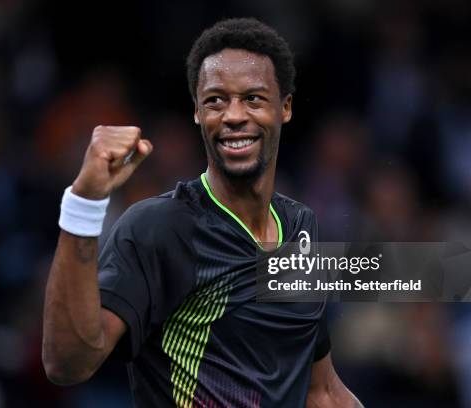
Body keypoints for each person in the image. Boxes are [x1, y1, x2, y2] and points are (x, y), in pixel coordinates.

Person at [42, 17, 362, 407]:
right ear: (197, 112)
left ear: (286, 108)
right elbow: (67, 364)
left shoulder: (300, 228)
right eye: (215, 100)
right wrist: (84, 202)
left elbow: (322, 392)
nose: (233, 115)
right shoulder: (158, 228)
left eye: (253, 99)